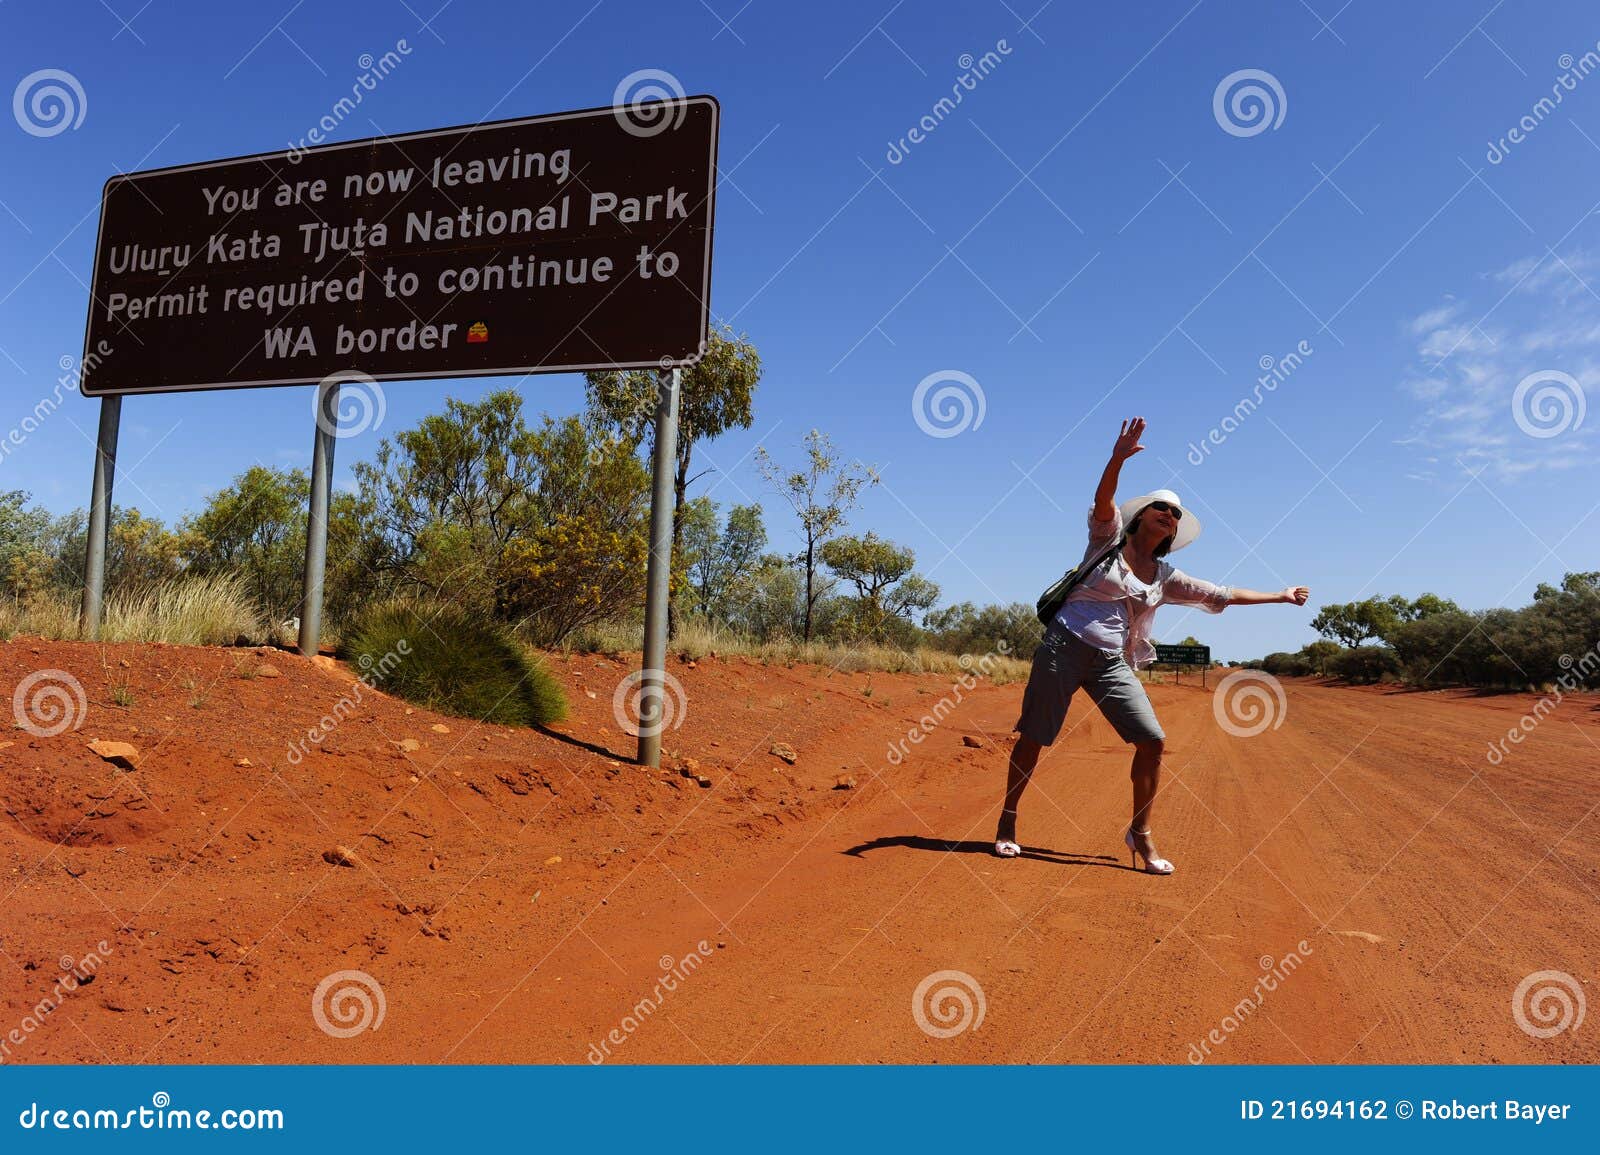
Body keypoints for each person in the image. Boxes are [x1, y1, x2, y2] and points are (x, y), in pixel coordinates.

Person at [994, 417, 1309, 873]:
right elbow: (1103, 499)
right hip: (1063, 647)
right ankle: (1007, 820)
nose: (1170, 514)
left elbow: (1221, 594)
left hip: (1109, 663)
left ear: (1174, 532)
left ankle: (1140, 834)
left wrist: (1279, 595)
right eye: (1162, 507)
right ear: (1141, 517)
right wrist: (1117, 458)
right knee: (1035, 736)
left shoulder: (1165, 577)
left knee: (1152, 740)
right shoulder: (1106, 541)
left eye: (1176, 513)